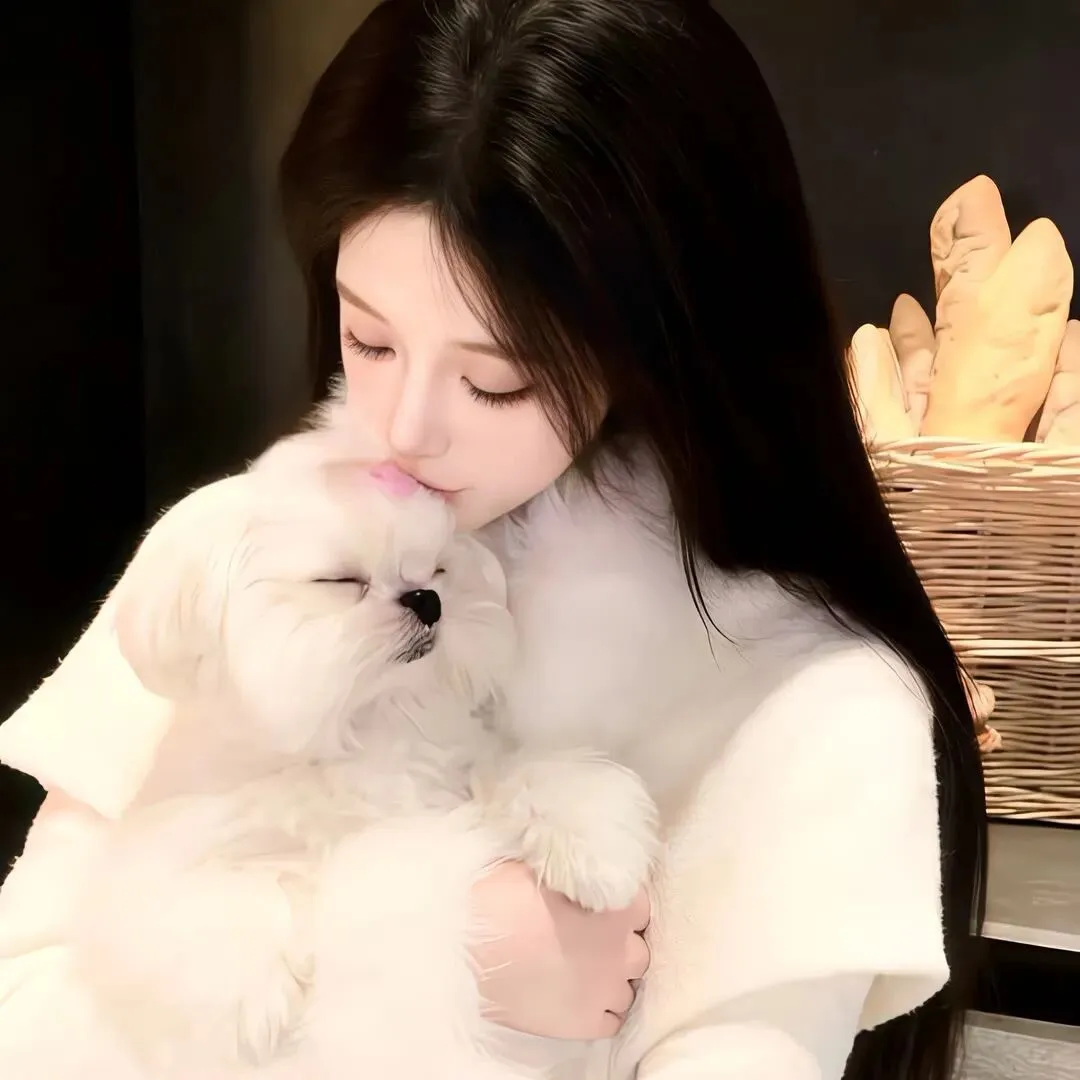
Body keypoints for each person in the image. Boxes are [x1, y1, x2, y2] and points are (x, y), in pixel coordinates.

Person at [0, 1, 985, 1079]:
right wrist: (414, 943)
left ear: (658, 345)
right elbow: (24, 1010)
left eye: (495, 379)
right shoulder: (246, 552)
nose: (406, 426)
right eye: (368, 337)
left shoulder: (815, 704)